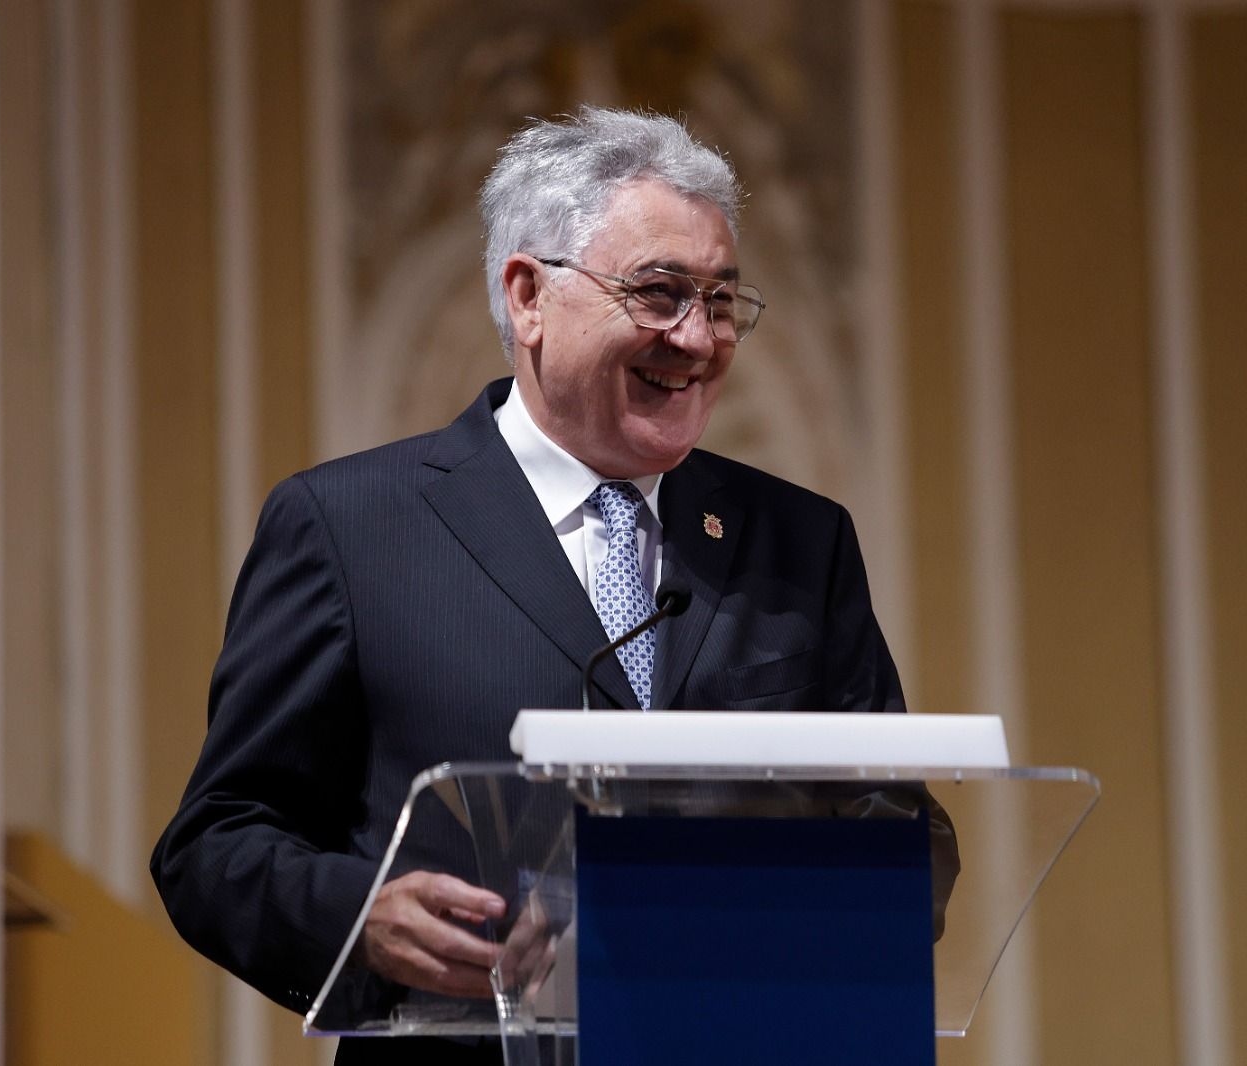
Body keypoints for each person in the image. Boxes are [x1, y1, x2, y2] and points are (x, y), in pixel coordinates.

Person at [151, 106, 927, 1065]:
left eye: (721, 300)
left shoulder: (799, 540)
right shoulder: (352, 528)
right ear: (528, 296)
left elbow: (898, 822)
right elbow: (217, 844)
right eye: (658, 292)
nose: (698, 338)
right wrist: (368, 917)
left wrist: (818, 920)